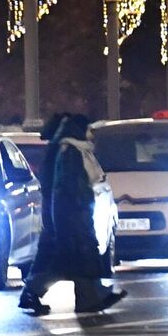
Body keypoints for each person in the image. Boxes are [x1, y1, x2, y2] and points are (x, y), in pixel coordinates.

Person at [48, 115, 117, 313]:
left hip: (76, 210)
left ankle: (91, 298)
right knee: (78, 255)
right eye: (86, 129)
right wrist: (82, 207)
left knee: (82, 256)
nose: (89, 134)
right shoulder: (71, 151)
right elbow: (73, 184)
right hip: (74, 211)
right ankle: (35, 290)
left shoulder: (77, 150)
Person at [16, 112, 69, 316]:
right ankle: (31, 291)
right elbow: (57, 185)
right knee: (56, 255)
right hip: (57, 211)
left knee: (52, 254)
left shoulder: (55, 150)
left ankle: (92, 296)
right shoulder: (60, 151)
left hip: (53, 210)